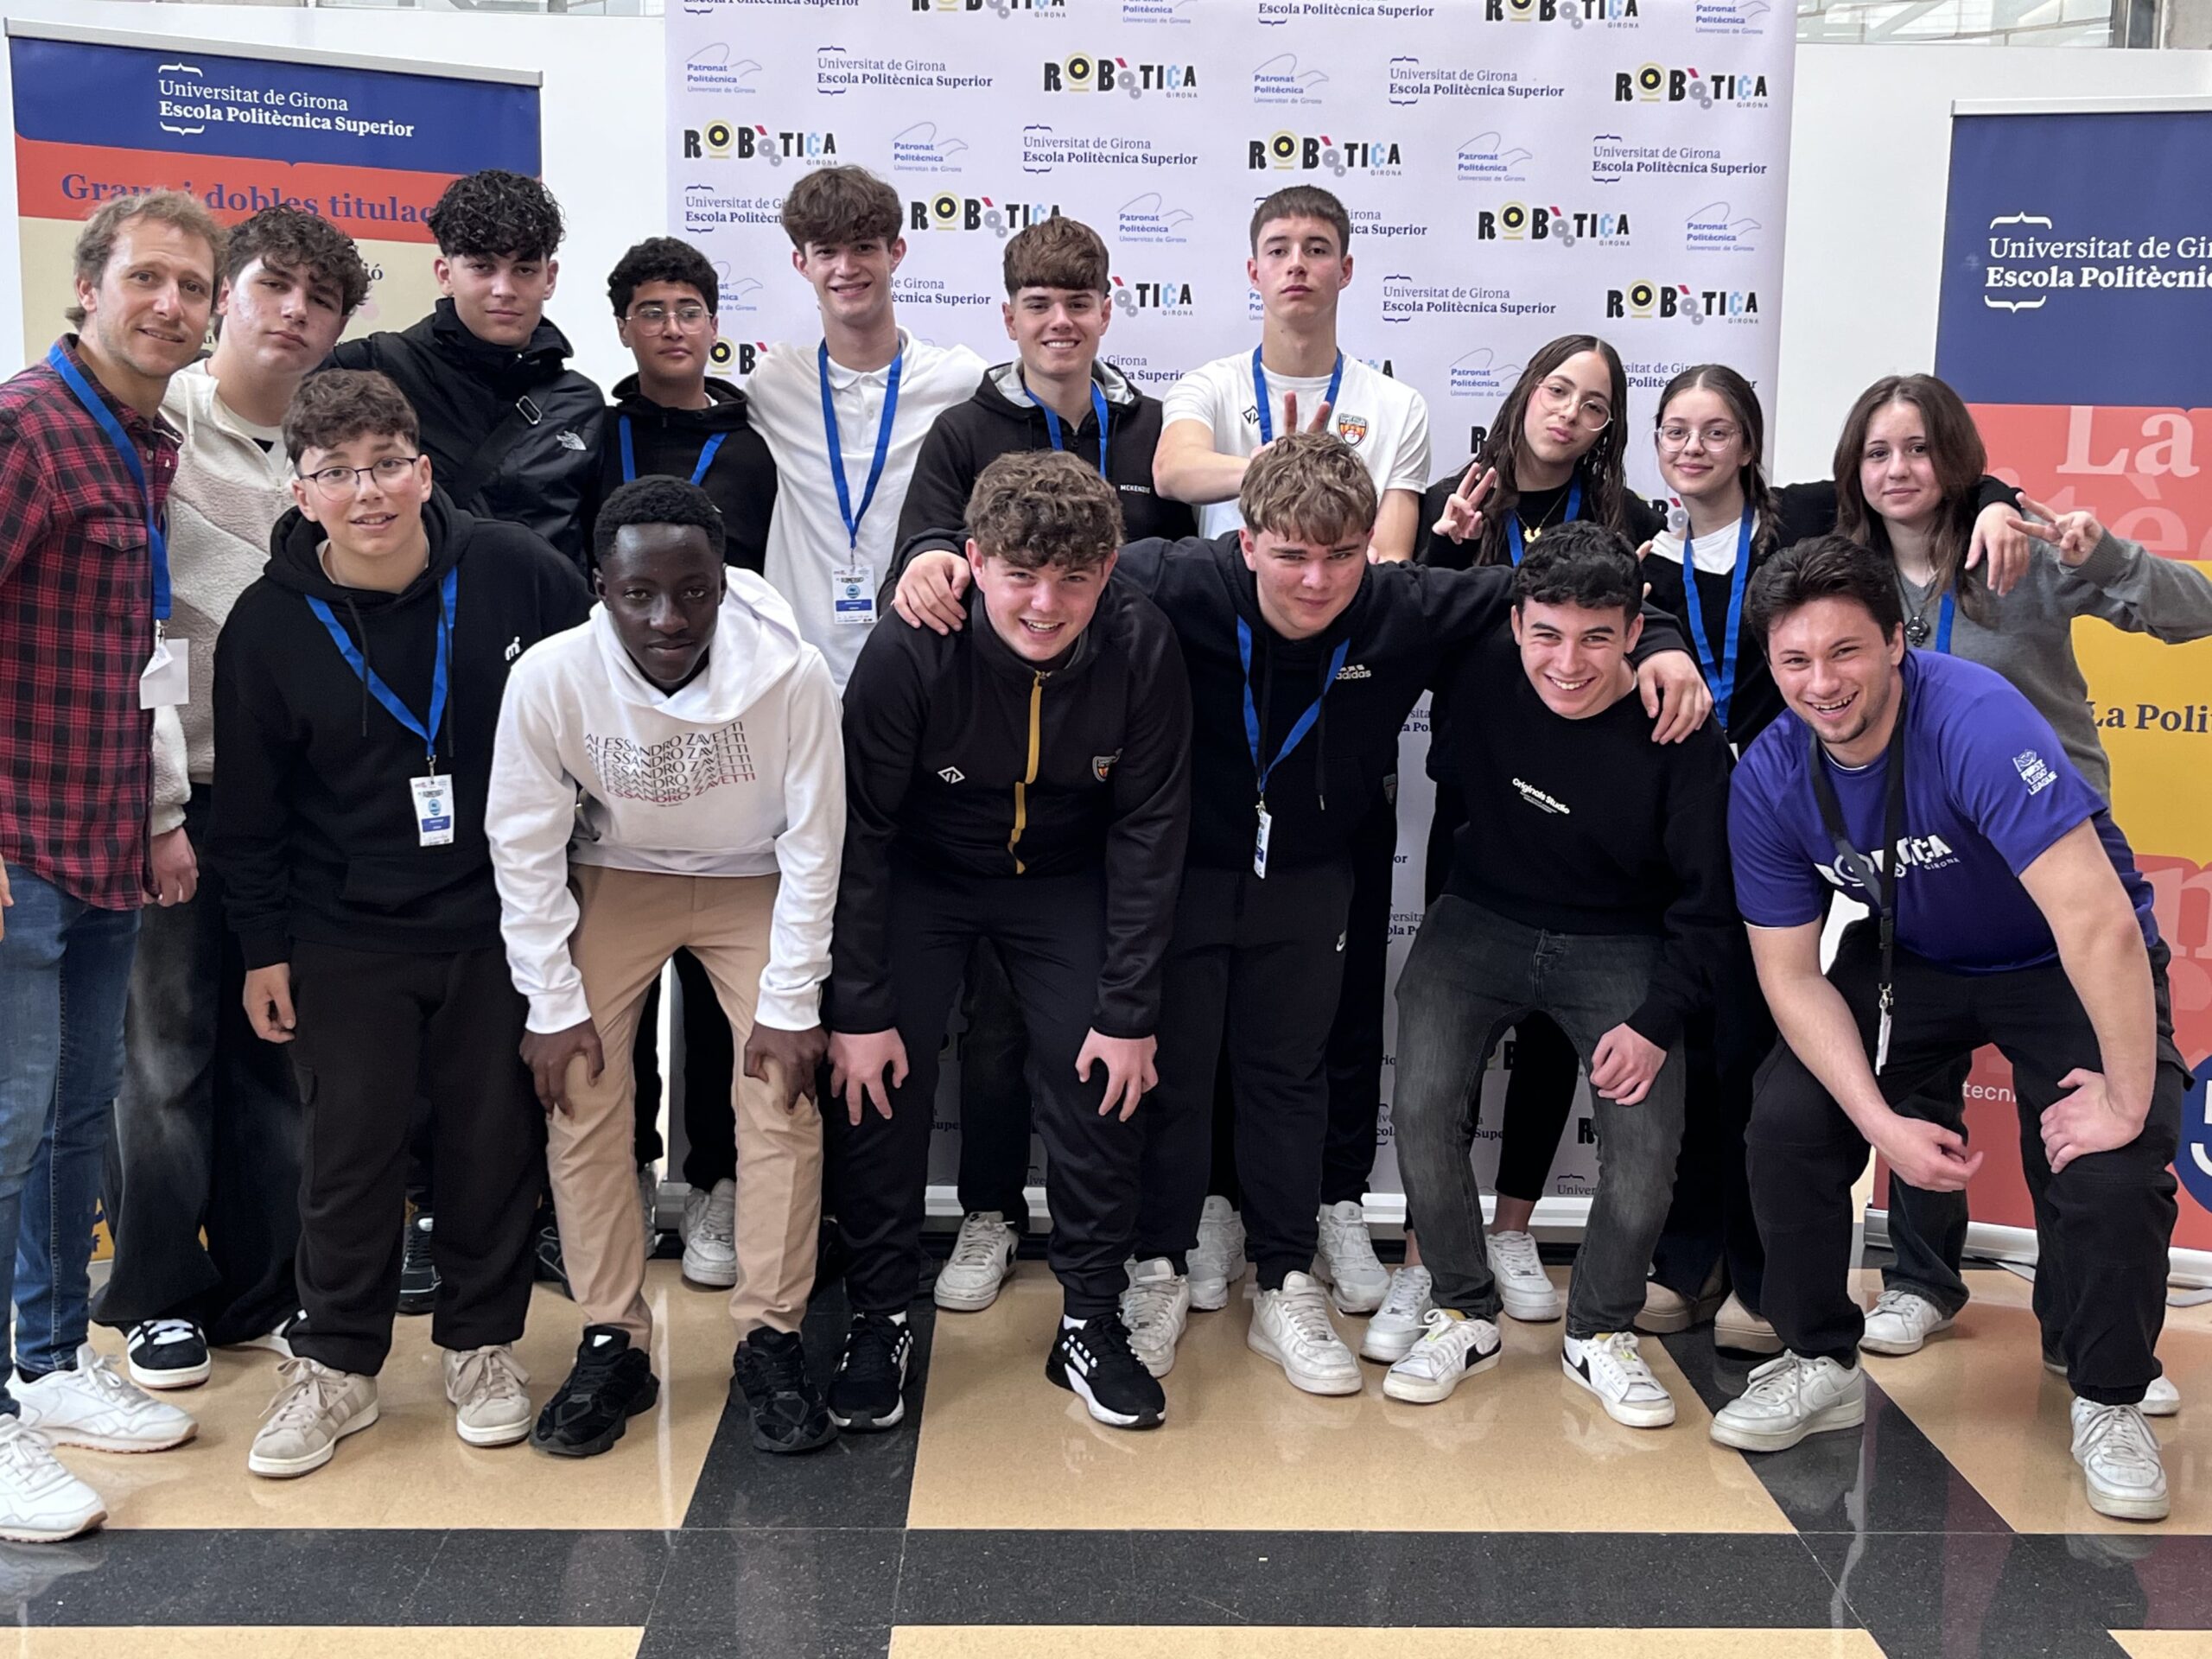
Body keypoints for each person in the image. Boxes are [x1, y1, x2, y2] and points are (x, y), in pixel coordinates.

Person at [893, 433, 1710, 1392]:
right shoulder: (1173, 578)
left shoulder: (1402, 602)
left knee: (1288, 1078)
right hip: (1181, 872)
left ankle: (1284, 1278)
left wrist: (1662, 642)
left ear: (1370, 547)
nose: (1316, 580)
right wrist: (934, 555)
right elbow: (1047, 567)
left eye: (1340, 555)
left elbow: (1556, 596)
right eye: (1289, 554)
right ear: (1245, 543)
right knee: (1172, 1079)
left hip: (1311, 877)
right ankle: (1156, 1269)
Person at [1714, 534, 2185, 1524]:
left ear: (1897, 640)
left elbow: (2094, 922)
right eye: (1795, 661)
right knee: (1788, 1122)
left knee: (2111, 1167)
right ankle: (1818, 1358)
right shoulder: (1767, 776)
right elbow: (1790, 977)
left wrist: (2124, 1100)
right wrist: (1878, 1126)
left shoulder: (1973, 717)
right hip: (1913, 957)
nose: (1820, 683)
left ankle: (2109, 1397)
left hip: (2059, 957)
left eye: (1844, 651)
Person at [212, 371, 588, 1479]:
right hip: (343, 932)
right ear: (301, 492)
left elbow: (601, 696)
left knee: (491, 1144)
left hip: (502, 922)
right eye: (336, 473)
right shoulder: (267, 625)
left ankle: (481, 1346)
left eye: (386, 465)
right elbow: (250, 814)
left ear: (424, 471)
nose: (367, 492)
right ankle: (336, 1364)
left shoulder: (515, 572)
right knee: (348, 1154)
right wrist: (263, 949)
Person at [1820, 374, 2212, 1378]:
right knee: (1914, 1088)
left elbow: (2192, 613)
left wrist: (2100, 553)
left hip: (2046, 874)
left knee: (2071, 1108)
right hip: (1919, 876)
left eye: (1918, 448)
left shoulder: (2020, 551)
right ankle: (1920, 1281)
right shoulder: (1844, 577)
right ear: (1853, 469)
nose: (1898, 469)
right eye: (1877, 451)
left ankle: (2081, 1336)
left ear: (1954, 457)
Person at [830, 449, 1191, 1432]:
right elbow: (859, 833)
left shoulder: (1141, 642)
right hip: (925, 876)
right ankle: (877, 1316)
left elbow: (1150, 830)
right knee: (877, 1075)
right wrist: (857, 1006)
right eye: (1021, 575)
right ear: (976, 561)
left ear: (1107, 570)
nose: (1044, 604)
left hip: (1065, 879)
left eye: (1072, 579)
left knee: (1101, 1073)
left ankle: (1090, 1318)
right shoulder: (912, 644)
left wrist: (1128, 1011)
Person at [488, 477, 842, 1457]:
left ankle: (771, 1336)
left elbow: (817, 843)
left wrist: (792, 1000)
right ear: (600, 585)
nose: (668, 618)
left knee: (780, 1090)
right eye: (639, 594)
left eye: (693, 592)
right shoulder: (552, 677)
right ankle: (613, 1337)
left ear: (723, 583)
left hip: (753, 875)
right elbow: (522, 841)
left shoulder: (792, 672)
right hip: (620, 871)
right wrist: (550, 1000)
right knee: (579, 1084)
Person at [893, 213, 1197, 1315]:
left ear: (1107, 309)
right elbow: (926, 549)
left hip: (1115, 749)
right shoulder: (963, 429)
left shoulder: (1155, 431)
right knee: (990, 1022)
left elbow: (1200, 571)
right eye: (1038, 303)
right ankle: (987, 1208)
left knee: (1110, 1022)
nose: (1059, 321)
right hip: (986, 760)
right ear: (1008, 315)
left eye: (1078, 302)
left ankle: (1115, 1254)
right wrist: (930, 561)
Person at [95, 206, 371, 1390]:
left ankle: (265, 1289)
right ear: (227, 298)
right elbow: (135, 637)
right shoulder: (157, 430)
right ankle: (157, 1294)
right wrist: (158, 809)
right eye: (273, 286)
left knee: (278, 1052)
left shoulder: (332, 456)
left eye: (321, 299)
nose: (294, 313)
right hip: (172, 797)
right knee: (163, 1059)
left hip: (291, 814)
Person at [1381, 525, 1734, 1427]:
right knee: (1420, 1106)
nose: (1567, 663)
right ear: (1514, 624)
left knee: (1645, 1151)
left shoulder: (1679, 725)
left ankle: (1600, 1331)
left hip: (1621, 939)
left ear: (1633, 631)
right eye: (1546, 634)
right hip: (1478, 917)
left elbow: (1709, 905)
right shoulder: (1478, 664)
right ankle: (1462, 1310)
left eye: (1596, 638)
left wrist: (1656, 1022)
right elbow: (1398, 597)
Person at [1153, 185, 1433, 1314]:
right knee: (1203, 1004)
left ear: (1348, 269)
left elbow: (1390, 554)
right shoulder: (1211, 385)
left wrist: (1314, 523)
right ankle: (1215, 1207)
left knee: (1332, 1000)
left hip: (1338, 706)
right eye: (1280, 248)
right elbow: (1175, 473)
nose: (1300, 265)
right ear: (1253, 268)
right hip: (1226, 694)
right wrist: (1285, 475)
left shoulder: (1393, 402)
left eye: (1320, 248)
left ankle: (1329, 1206)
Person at [0, 189, 219, 1541]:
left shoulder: (144, 444)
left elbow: (131, 660)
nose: (170, 305)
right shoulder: (27, 429)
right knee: (6, 1127)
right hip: (16, 848)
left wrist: (149, 816)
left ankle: (45, 1363)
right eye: (146, 277)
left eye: (191, 286)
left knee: (77, 1118)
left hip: (98, 841)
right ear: (89, 286)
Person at [594, 234, 783, 1293]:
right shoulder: (596, 430)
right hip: (613, 728)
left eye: (690, 310)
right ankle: (626, 1169)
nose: (672, 328)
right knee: (616, 990)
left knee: (716, 990)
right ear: (624, 325)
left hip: (721, 726)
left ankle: (715, 1180)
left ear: (715, 324)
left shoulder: (749, 447)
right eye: (652, 311)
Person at [741, 165, 986, 696]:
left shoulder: (958, 381)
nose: (846, 268)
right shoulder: (775, 382)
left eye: (863, 248)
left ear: (896, 253)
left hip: (921, 664)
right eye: (826, 251)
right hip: (795, 672)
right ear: (801, 263)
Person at [327, 168, 603, 569]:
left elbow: (598, 548)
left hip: (553, 607)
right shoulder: (373, 368)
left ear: (550, 278)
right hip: (421, 604)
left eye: (524, 269)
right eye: (483, 267)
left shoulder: (580, 403)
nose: (504, 289)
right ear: (446, 275)